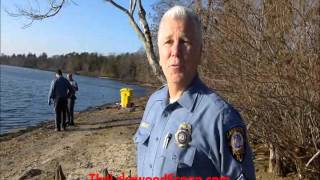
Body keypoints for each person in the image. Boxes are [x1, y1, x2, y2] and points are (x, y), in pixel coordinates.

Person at [133, 6, 256, 179]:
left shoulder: (221, 119)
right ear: (159, 54)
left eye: (184, 42)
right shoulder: (153, 103)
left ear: (200, 52)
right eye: (168, 42)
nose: (175, 51)